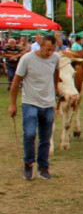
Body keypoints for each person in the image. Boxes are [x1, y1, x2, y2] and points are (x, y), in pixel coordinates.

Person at [8, 36, 67, 180]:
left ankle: (43, 167)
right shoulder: (27, 59)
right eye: (47, 49)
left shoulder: (54, 59)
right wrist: (12, 103)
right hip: (30, 102)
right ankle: (28, 164)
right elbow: (16, 82)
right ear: (40, 45)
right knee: (29, 134)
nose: (49, 53)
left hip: (48, 104)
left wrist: (54, 90)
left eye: (53, 50)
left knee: (45, 138)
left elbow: (55, 73)